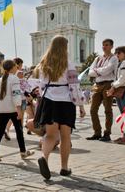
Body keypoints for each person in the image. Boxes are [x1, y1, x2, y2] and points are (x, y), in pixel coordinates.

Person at [36, 35, 86, 180]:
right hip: (65, 101)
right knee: (65, 136)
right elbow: (75, 86)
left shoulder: (43, 63)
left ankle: (44, 157)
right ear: (64, 47)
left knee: (51, 135)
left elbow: (41, 85)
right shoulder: (68, 63)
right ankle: (64, 168)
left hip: (49, 100)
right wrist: (81, 106)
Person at [0, 60, 35, 162]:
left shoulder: (0, 79)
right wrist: (18, 109)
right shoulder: (14, 79)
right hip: (13, 109)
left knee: (0, 130)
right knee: (19, 131)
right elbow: (16, 94)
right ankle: (23, 152)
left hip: (2, 109)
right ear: (13, 67)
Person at [87, 39, 118, 142]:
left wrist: (97, 70)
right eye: (103, 45)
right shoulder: (98, 58)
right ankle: (97, 132)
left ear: (111, 46)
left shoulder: (113, 58)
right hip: (97, 85)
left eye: (106, 45)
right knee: (92, 110)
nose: (104, 47)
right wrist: (99, 71)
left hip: (108, 84)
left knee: (108, 109)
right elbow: (90, 72)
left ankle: (107, 133)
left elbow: (107, 70)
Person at [107, 46, 125, 144]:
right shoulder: (120, 64)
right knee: (124, 115)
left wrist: (112, 86)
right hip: (120, 90)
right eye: (116, 53)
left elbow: (123, 78)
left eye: (119, 52)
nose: (117, 54)